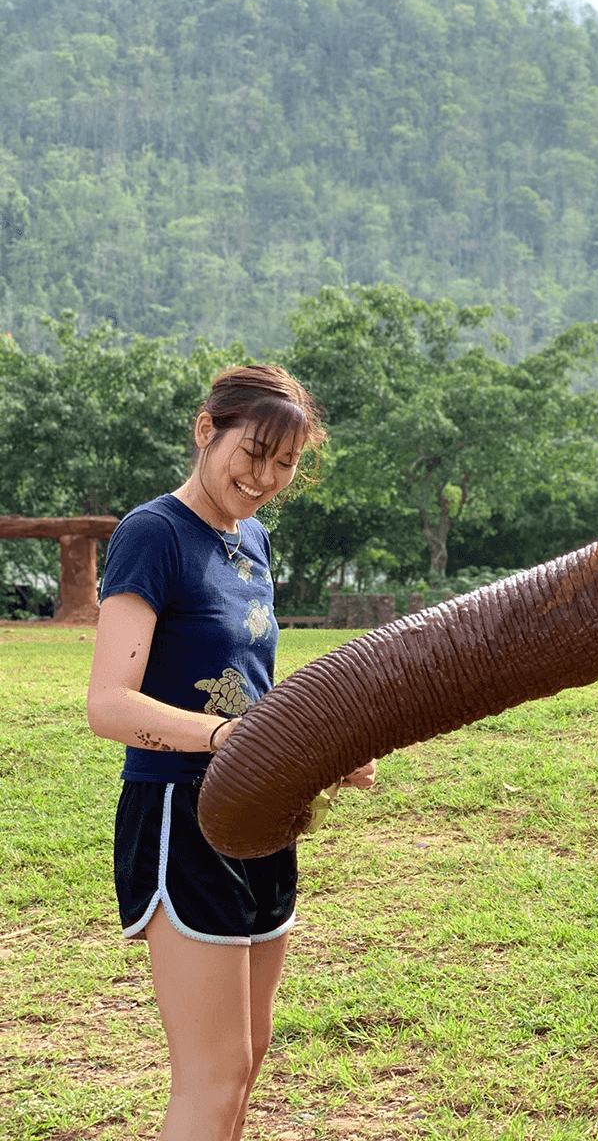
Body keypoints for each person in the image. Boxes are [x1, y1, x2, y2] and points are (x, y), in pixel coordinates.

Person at [86, 364, 376, 1140]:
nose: (267, 477)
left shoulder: (254, 540)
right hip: (184, 812)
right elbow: (109, 704)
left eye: (285, 464)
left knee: (245, 1064)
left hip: (259, 811)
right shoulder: (154, 533)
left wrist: (317, 750)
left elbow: (251, 686)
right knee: (211, 1078)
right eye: (255, 453)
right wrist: (229, 738)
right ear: (206, 428)